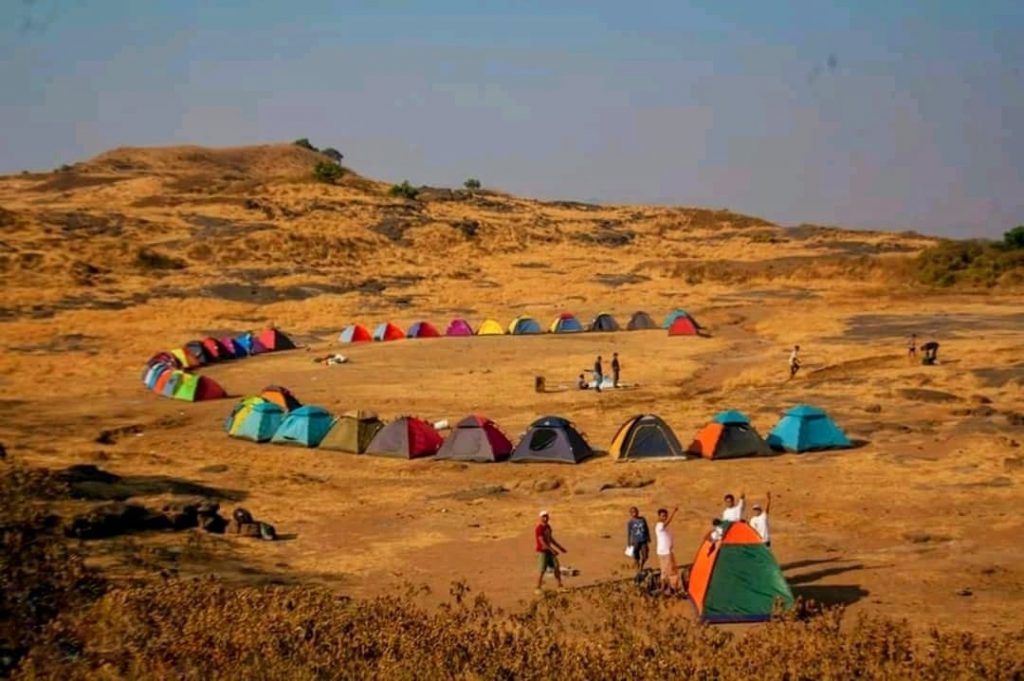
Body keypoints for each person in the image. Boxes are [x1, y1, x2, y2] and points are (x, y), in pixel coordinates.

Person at [534, 510, 567, 592]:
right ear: (540, 518)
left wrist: (560, 547)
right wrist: (552, 550)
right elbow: (542, 542)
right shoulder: (539, 529)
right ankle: (538, 587)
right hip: (542, 551)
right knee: (542, 570)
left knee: (556, 567)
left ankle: (560, 586)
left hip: (549, 551)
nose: (545, 518)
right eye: (543, 517)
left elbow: (550, 539)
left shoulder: (548, 527)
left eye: (546, 516)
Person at [655, 506, 681, 594]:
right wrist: (674, 512)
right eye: (662, 516)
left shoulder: (664, 527)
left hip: (664, 551)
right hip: (665, 552)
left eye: (665, 515)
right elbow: (667, 523)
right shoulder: (660, 525)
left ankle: (664, 588)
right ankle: (673, 588)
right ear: (659, 516)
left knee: (664, 570)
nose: (664, 517)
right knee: (671, 571)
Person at [626, 506, 650, 572]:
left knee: (645, 555)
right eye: (633, 512)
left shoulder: (642, 519)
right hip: (635, 541)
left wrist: (648, 537)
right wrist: (629, 542)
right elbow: (629, 533)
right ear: (630, 513)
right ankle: (637, 564)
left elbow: (646, 528)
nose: (635, 513)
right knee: (636, 555)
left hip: (643, 540)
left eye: (636, 511)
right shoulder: (630, 522)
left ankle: (641, 565)